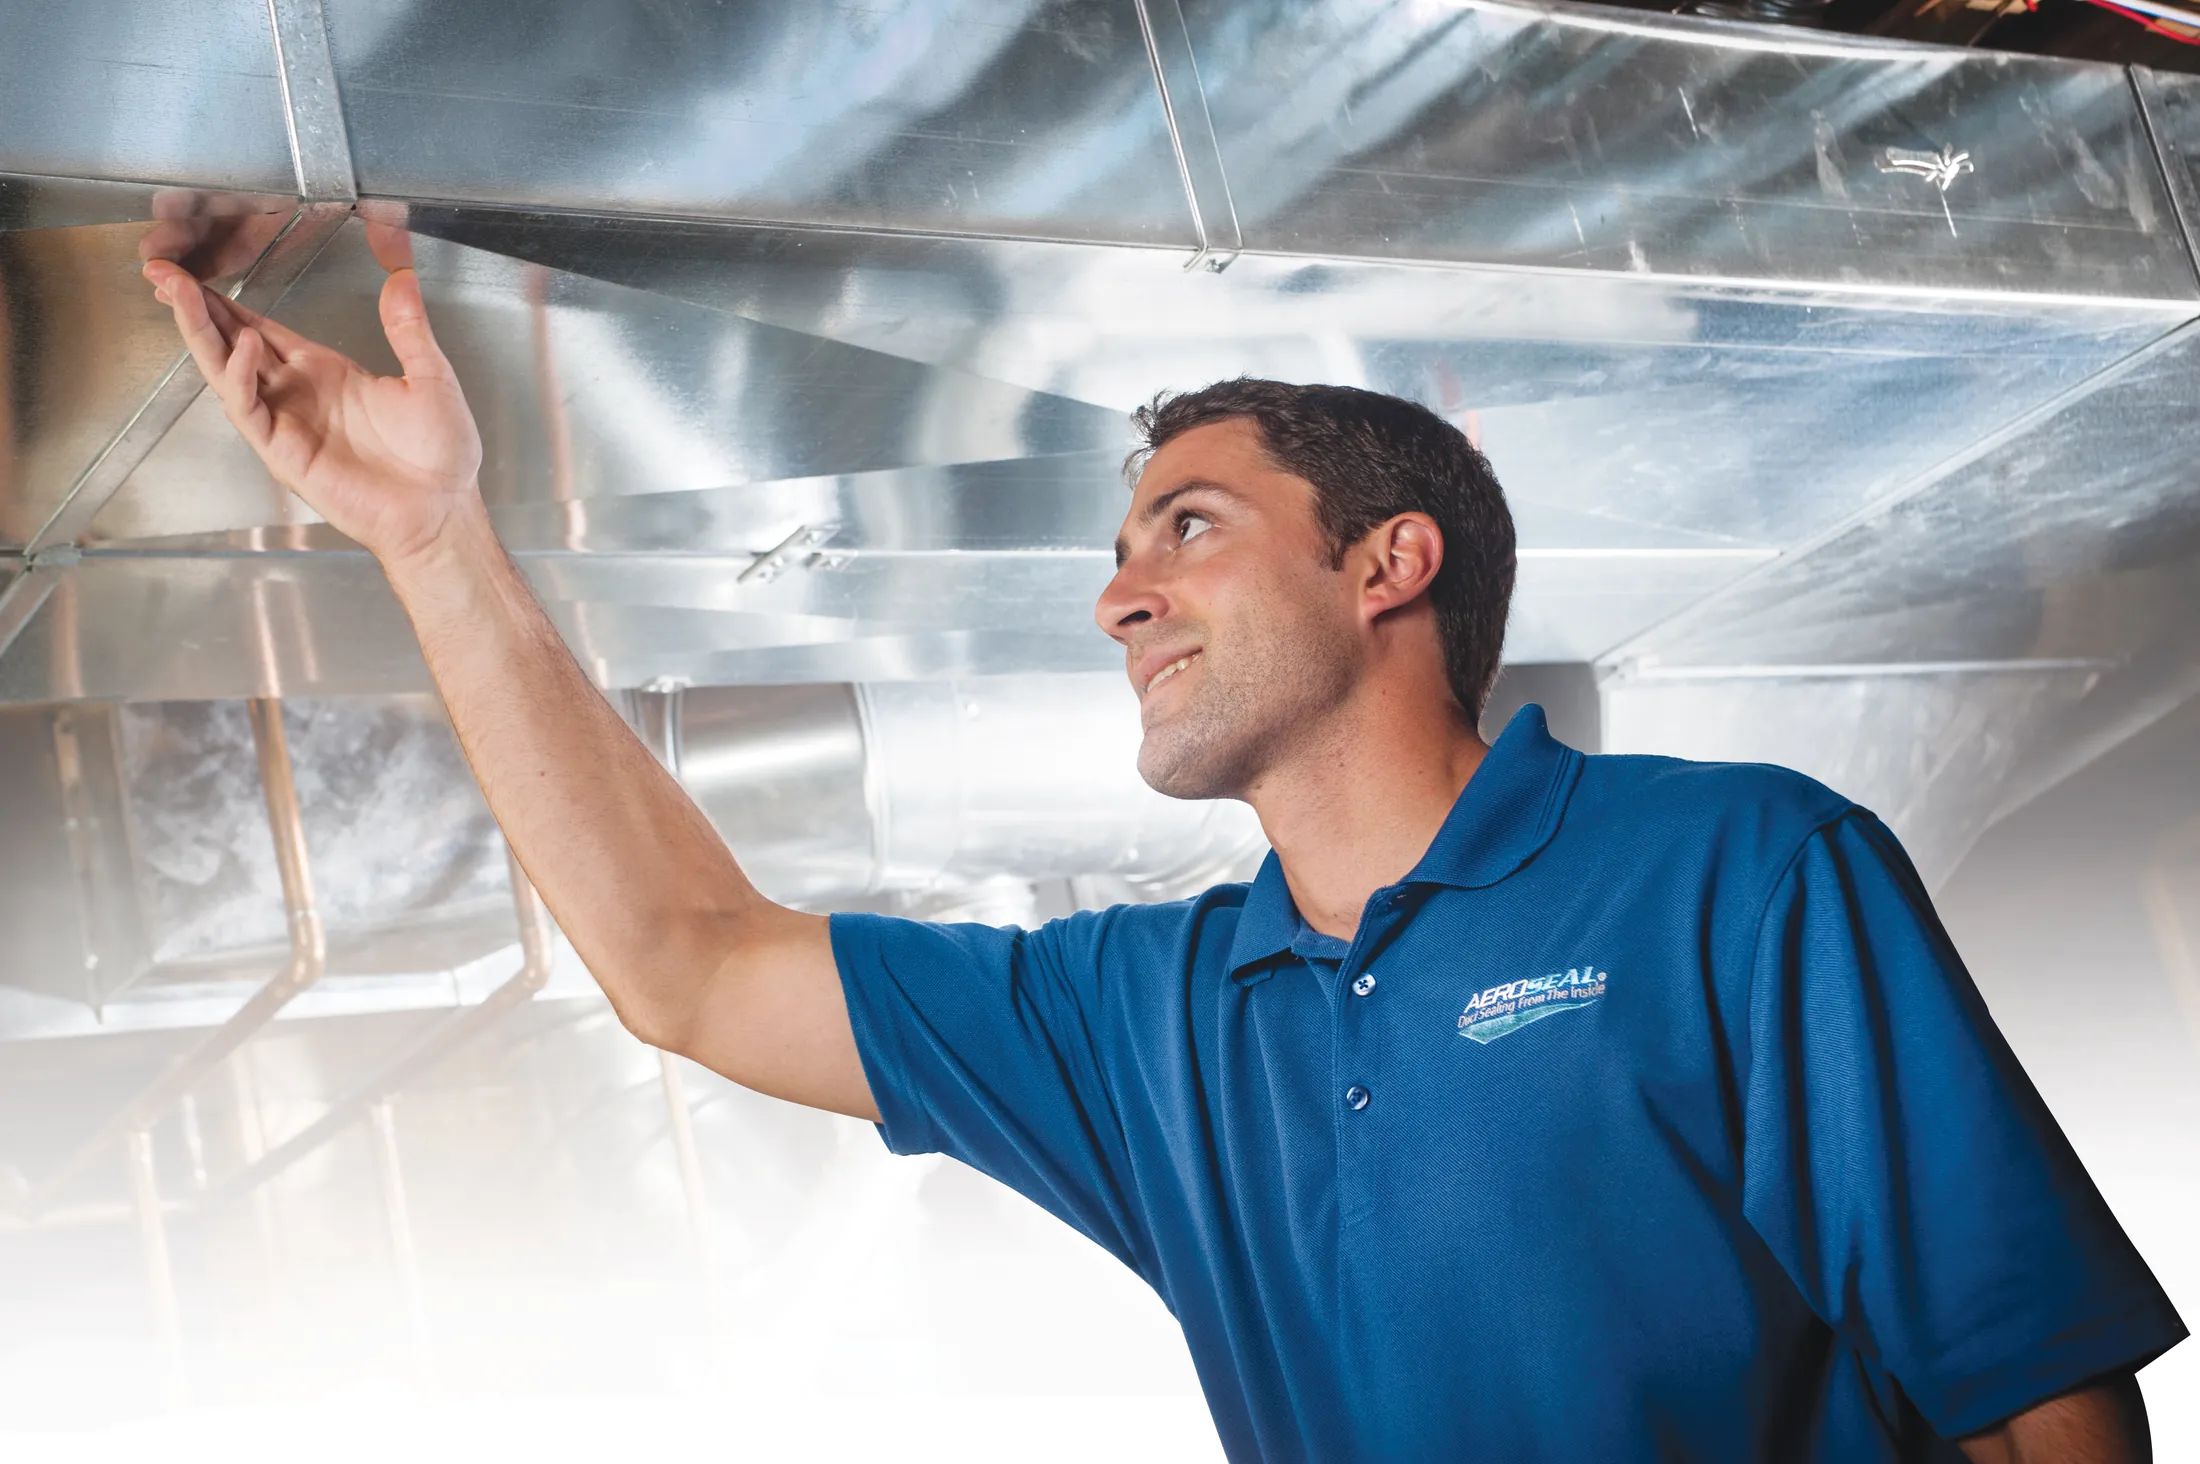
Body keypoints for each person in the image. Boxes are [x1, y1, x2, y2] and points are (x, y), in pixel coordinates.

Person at [141, 243, 2184, 1463]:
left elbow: (2040, 1403)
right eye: (1117, 557)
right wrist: (431, 535)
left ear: (1391, 564)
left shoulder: (1737, 875)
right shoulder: (1143, 1021)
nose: (1120, 598)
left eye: (1185, 530)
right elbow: (684, 964)